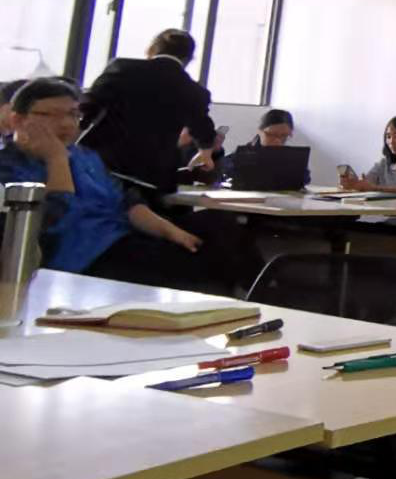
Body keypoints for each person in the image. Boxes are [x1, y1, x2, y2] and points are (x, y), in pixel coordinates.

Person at [0, 78, 254, 293]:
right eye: (50, 114)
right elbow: (49, 222)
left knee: (218, 226)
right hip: (82, 255)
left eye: (73, 114)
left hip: (123, 236)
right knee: (199, 266)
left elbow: (127, 202)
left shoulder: (85, 156)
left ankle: (259, 297)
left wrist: (172, 232)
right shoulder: (8, 166)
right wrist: (56, 159)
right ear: (18, 120)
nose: (66, 123)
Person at [78, 28, 218, 193]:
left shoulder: (121, 68)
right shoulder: (195, 91)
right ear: (189, 59)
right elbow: (203, 128)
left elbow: (88, 107)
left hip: (103, 166)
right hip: (152, 176)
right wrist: (205, 153)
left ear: (151, 49)